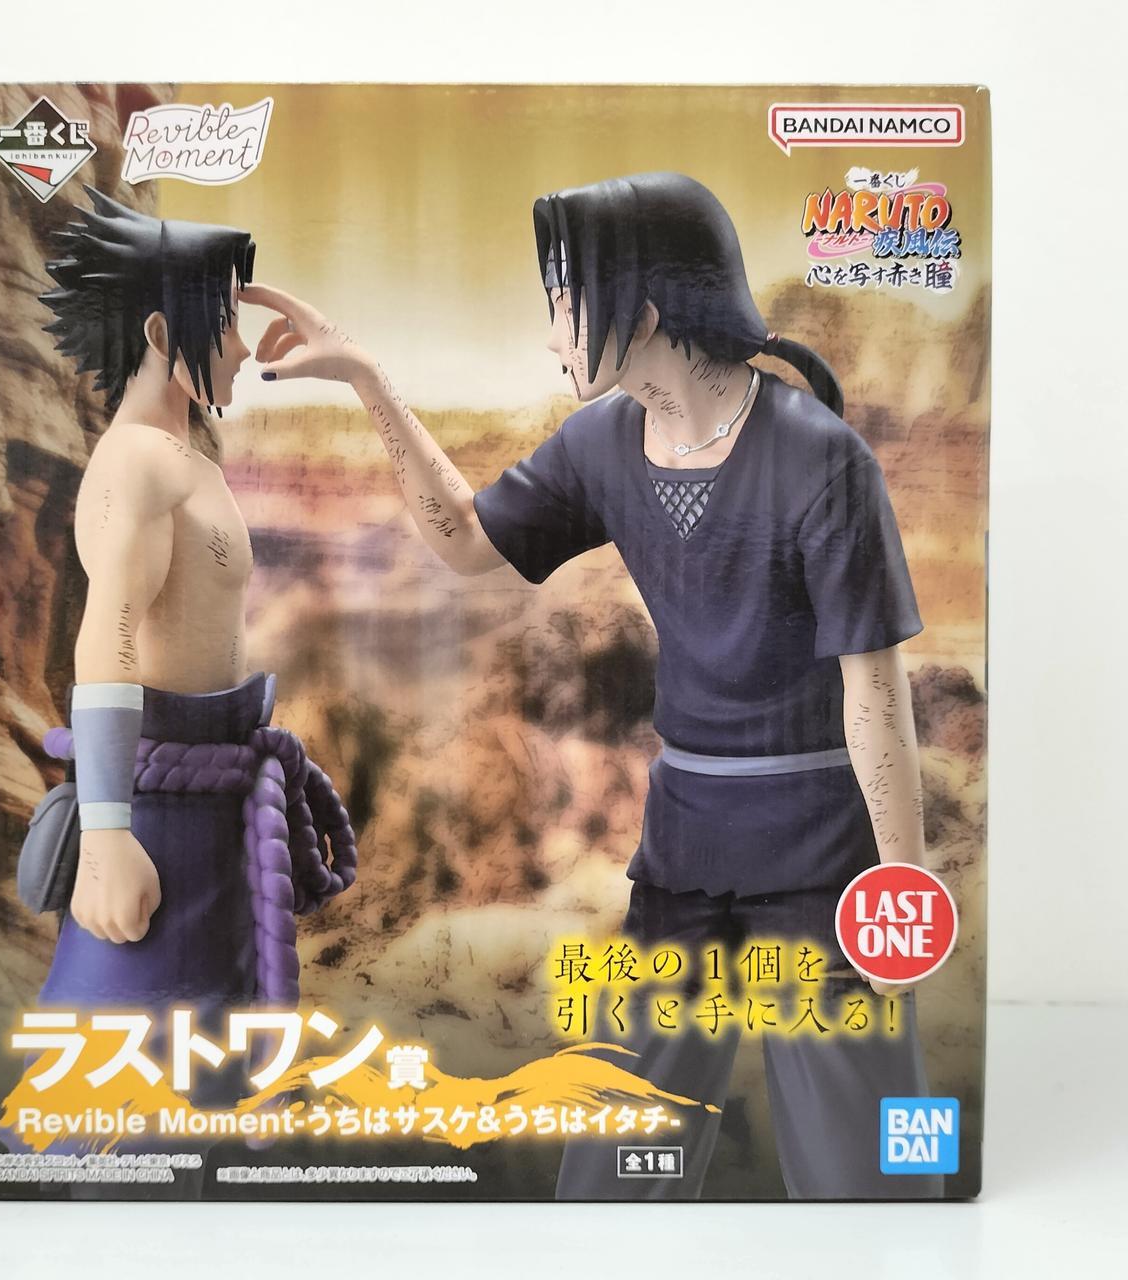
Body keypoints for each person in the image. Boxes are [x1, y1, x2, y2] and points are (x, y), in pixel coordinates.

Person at [247, 171, 939, 1199]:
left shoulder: (823, 463)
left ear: (644, 310)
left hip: (824, 855)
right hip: (684, 848)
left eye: (565, 304)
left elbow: (872, 696)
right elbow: (465, 541)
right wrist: (367, 378)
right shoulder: (603, 440)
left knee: (868, 1178)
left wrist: (902, 892)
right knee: (613, 1172)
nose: (550, 336)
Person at [31, 188, 355, 1061]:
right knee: (130, 1060)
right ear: (159, 332)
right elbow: (108, 634)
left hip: (207, 803)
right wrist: (106, 836)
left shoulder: (184, 455)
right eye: (227, 320)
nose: (243, 345)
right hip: (156, 810)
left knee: (203, 1063)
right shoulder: (136, 461)